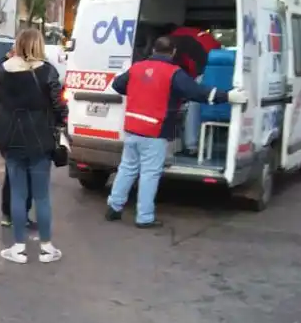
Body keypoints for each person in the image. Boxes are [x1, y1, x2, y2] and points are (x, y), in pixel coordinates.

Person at [105, 36, 247, 228]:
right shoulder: (173, 72)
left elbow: (117, 85)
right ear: (173, 52)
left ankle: (114, 207)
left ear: (153, 50)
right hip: (155, 131)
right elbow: (196, 92)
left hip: (132, 128)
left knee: (127, 169)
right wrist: (227, 96)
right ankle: (144, 217)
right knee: (149, 174)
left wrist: (140, 90)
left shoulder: (137, 68)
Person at [0, 29, 67, 264]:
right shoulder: (48, 71)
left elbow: (0, 99)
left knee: (17, 194)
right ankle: (46, 248)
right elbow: (58, 105)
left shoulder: (4, 69)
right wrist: (60, 123)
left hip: (11, 137)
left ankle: (18, 248)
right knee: (42, 196)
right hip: (40, 138)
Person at [169, 26, 222, 156]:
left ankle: (191, 146)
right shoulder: (200, 39)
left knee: (193, 104)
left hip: (202, 75)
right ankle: (195, 145)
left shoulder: (179, 40)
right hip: (209, 78)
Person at [0, 47, 33, 228]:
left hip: (7, 129)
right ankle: (21, 215)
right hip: (27, 130)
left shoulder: (4, 70)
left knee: (12, 174)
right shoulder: (34, 72)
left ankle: (7, 215)